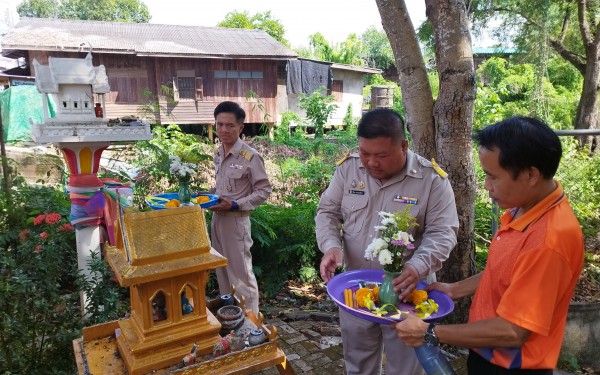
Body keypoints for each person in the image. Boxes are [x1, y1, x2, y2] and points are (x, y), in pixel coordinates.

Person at [394, 116, 584, 374]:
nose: (486, 185)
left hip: (512, 364)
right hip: (487, 351)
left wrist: (431, 331)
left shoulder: (548, 240)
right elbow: (506, 271)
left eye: (492, 176)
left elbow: (512, 331)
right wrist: (453, 289)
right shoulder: (526, 209)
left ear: (531, 174)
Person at [316, 108, 459, 375]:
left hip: (408, 293)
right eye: (365, 153)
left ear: (403, 146)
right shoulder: (349, 169)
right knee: (358, 362)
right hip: (356, 289)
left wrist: (416, 266)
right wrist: (331, 246)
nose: (370, 162)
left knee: (406, 368)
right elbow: (328, 212)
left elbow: (443, 232)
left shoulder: (431, 180)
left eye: (381, 155)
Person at [208, 101, 272, 315]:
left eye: (230, 125)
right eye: (219, 125)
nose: (224, 130)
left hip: (236, 222)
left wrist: (236, 204)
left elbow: (264, 190)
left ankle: (251, 325)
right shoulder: (219, 153)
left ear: (240, 127)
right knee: (223, 273)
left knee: (241, 276)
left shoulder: (250, 156)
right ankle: (232, 318)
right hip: (217, 220)